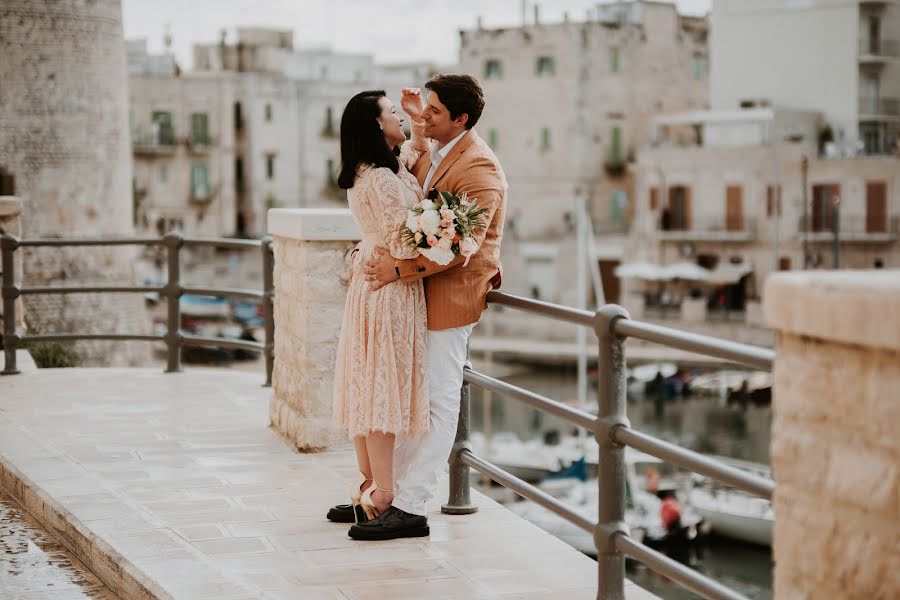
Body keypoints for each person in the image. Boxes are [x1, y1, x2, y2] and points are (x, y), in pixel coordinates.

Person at [347, 74, 507, 541]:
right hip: (419, 292)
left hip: (450, 293)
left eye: (434, 111)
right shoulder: (436, 152)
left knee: (438, 402)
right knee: (414, 399)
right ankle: (386, 493)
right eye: (425, 108)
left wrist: (396, 271)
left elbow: (463, 247)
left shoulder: (479, 169)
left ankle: (411, 505)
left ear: (461, 119)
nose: (423, 115)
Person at [327, 88, 431, 538]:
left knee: (367, 382)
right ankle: (384, 494)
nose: (399, 118)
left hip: (372, 284)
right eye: (391, 112)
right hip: (390, 288)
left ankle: (368, 484)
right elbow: (404, 241)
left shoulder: (371, 170)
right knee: (381, 387)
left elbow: (412, 151)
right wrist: (439, 233)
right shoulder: (383, 179)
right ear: (375, 125)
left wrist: (415, 120)